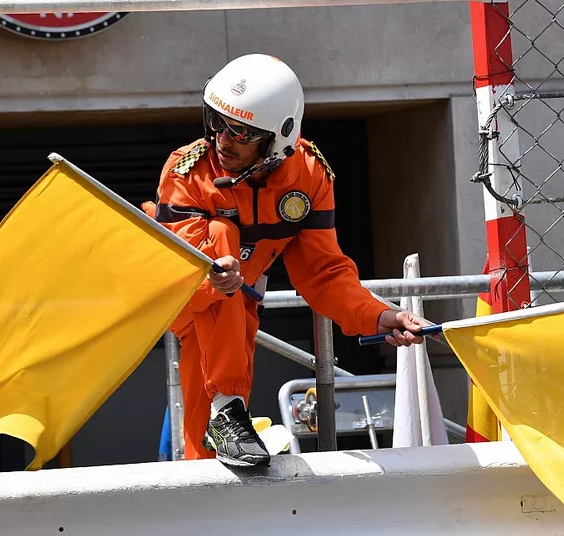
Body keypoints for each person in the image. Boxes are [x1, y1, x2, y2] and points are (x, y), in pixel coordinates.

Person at [144, 54, 424, 469]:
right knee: (222, 239)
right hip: (183, 294)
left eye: (239, 131)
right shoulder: (188, 171)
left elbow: (324, 273)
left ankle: (224, 419)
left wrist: (379, 315)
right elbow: (186, 273)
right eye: (216, 121)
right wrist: (217, 276)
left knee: (209, 453)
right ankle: (228, 410)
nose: (222, 138)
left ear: (278, 139)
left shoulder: (310, 175)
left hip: (237, 308)